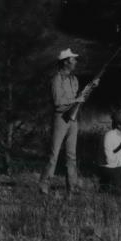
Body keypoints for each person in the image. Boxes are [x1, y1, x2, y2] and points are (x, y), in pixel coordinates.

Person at [38, 48, 93, 195]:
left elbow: (79, 100)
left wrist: (90, 88)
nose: (75, 62)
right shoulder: (57, 79)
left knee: (71, 155)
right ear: (66, 62)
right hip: (60, 119)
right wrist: (76, 99)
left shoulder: (74, 79)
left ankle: (72, 188)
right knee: (54, 154)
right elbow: (58, 102)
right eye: (73, 60)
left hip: (73, 120)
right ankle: (44, 185)